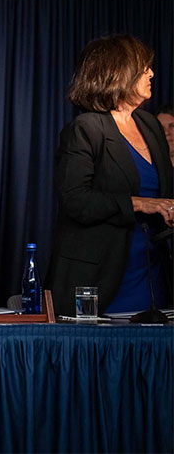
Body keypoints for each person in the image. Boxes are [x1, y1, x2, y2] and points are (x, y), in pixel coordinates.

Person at [47, 35, 173, 317]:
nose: (151, 73)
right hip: (102, 276)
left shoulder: (150, 125)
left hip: (152, 273)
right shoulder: (87, 128)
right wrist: (140, 203)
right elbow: (75, 201)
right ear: (118, 72)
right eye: (144, 68)